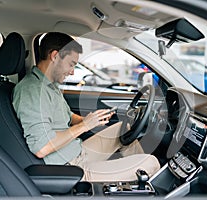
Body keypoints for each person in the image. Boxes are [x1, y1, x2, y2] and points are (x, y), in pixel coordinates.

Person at [12, 32, 160, 182]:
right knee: (151, 163)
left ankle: (137, 182)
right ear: (55, 56)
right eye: (71, 64)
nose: (72, 72)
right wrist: (84, 126)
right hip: (70, 166)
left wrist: (91, 119)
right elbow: (41, 148)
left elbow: (67, 116)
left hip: (76, 150)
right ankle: (140, 176)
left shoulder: (49, 85)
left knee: (123, 128)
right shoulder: (32, 91)